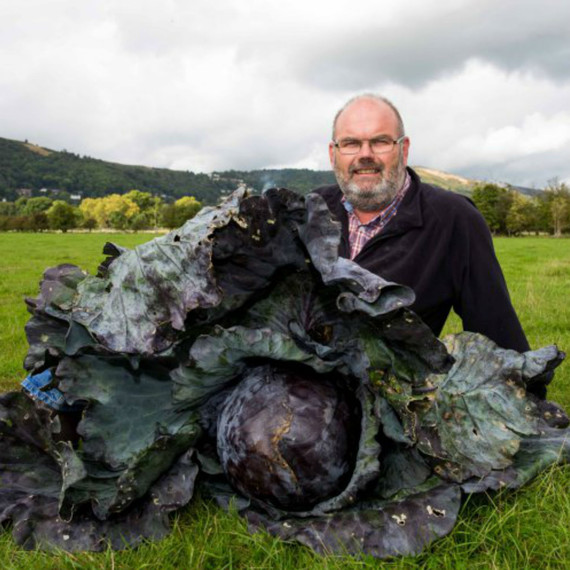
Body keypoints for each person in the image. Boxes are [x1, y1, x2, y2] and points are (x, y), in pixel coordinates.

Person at [313, 93, 536, 371]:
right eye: (351, 143)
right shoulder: (307, 213)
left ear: (403, 149)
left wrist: (523, 399)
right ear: (333, 153)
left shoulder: (454, 220)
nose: (365, 154)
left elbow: (500, 338)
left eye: (380, 141)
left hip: (393, 400)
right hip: (297, 391)